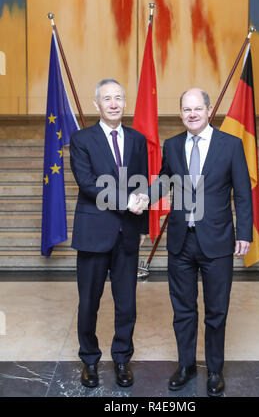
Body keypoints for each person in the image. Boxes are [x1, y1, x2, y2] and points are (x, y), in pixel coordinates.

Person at [137, 87, 253, 396]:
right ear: (180, 113)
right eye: (186, 109)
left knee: (216, 310)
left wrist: (244, 233)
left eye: (197, 108)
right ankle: (186, 365)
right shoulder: (173, 145)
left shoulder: (231, 145)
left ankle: (214, 369)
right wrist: (143, 197)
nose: (192, 114)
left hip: (217, 242)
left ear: (208, 109)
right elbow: (163, 180)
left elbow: (242, 192)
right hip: (180, 242)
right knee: (183, 309)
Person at [69, 78, 149, 388]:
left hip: (128, 234)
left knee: (126, 302)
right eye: (107, 99)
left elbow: (141, 181)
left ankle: (121, 358)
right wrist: (125, 201)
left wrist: (142, 226)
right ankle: (89, 360)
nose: (113, 103)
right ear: (97, 105)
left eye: (118, 97)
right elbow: (87, 183)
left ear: (124, 103)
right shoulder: (81, 139)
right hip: (94, 232)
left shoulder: (138, 139)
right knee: (89, 302)